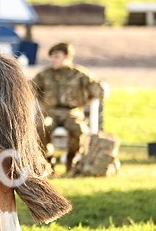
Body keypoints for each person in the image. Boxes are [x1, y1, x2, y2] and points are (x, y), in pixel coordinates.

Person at [32, 42, 103, 173]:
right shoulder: (44, 75)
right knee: (40, 127)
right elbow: (29, 90)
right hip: (50, 112)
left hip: (72, 112)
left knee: (78, 129)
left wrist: (99, 88)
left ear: (67, 57)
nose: (53, 60)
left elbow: (99, 91)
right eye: (51, 57)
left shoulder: (79, 74)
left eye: (56, 56)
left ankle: (72, 159)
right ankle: (47, 160)